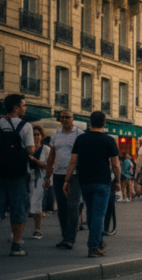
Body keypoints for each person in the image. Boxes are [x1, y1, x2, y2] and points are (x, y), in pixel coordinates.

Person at [62, 111, 121, 258]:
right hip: (102, 181)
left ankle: (98, 242)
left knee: (91, 212)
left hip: (85, 181)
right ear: (104, 123)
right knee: (98, 214)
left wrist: (66, 180)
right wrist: (118, 180)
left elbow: (73, 161)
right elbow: (115, 164)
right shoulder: (109, 140)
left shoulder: (81, 139)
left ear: (90, 122)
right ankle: (93, 246)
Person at [0, 94, 35, 256]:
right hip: (19, 174)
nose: (25, 108)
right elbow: (31, 150)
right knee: (18, 209)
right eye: (24, 105)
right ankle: (16, 246)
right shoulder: (26, 126)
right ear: (16, 107)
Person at [44, 110, 84, 250]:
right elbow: (51, 157)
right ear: (59, 119)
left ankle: (70, 238)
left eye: (68, 117)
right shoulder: (55, 134)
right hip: (59, 174)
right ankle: (65, 236)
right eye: (63, 117)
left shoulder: (80, 134)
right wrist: (47, 177)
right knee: (61, 207)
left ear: (73, 119)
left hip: (75, 175)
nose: (65, 120)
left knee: (72, 206)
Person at [27, 124, 51, 240]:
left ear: (42, 136)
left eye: (38, 134)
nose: (35, 137)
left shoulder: (46, 150)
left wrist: (37, 162)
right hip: (27, 179)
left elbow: (51, 166)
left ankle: (38, 230)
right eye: (33, 134)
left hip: (40, 179)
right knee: (25, 205)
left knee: (37, 204)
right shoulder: (27, 149)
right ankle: (16, 232)